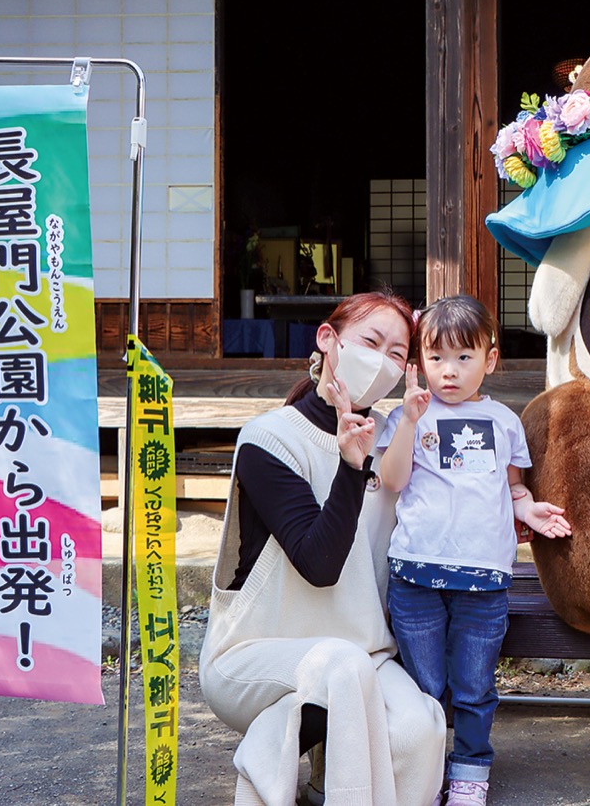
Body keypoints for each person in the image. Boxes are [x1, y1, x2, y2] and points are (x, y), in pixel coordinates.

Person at [199, 289, 447, 806]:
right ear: (328, 340)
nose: (381, 362)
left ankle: (297, 768)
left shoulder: (392, 443)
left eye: (398, 354)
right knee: (340, 666)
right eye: (370, 341)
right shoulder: (268, 439)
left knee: (419, 730)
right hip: (254, 653)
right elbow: (319, 564)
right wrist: (351, 468)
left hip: (360, 652)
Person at [376, 295, 572, 806]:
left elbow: (513, 490)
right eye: (436, 357)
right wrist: (410, 421)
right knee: (424, 687)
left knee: (473, 687)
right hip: (416, 576)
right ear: (419, 361)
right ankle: (425, 769)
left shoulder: (505, 422)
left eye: (465, 357)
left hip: (484, 583)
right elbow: (391, 480)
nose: (449, 371)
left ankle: (469, 772)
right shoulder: (407, 416)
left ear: (491, 357)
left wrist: (529, 512)